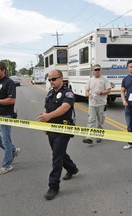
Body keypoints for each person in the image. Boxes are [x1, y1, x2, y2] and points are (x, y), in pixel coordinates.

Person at [38, 69, 79, 200]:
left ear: (61, 78)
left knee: (56, 157)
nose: (51, 82)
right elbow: (46, 108)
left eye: (54, 79)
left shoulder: (68, 93)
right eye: (49, 80)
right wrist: (45, 123)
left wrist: (49, 116)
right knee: (59, 153)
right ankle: (72, 168)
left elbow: (65, 107)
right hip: (51, 129)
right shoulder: (50, 93)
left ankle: (53, 186)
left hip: (63, 129)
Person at [83, 64, 112, 144]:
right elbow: (87, 91)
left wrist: (102, 92)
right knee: (91, 120)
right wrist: (89, 95)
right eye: (95, 70)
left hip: (101, 104)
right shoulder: (90, 80)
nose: (97, 71)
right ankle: (89, 137)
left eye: (98, 69)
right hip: (92, 104)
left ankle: (99, 136)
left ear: (100, 70)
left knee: (100, 120)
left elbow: (109, 90)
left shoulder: (104, 80)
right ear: (92, 71)